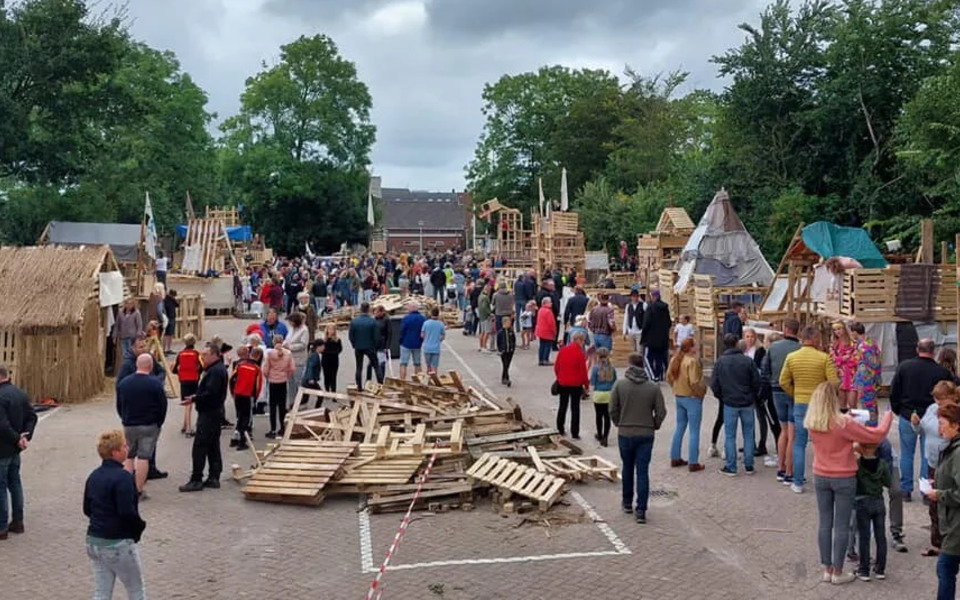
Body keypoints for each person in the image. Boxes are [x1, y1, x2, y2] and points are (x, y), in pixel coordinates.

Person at [805, 382, 892, 585]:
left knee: (825, 523)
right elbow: (876, 435)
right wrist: (888, 417)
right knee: (842, 525)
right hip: (843, 476)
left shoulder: (812, 421)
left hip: (820, 474)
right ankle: (838, 571)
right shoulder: (843, 423)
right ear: (833, 399)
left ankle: (826, 569)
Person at [83, 430, 147, 598]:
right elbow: (127, 512)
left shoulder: (93, 476)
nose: (127, 448)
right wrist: (138, 528)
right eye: (124, 446)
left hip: (94, 540)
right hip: (117, 541)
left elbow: (87, 508)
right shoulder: (123, 478)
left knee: (101, 592)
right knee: (135, 589)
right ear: (115, 452)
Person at [780, 326, 840, 493]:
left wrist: (795, 393)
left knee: (799, 443)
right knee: (823, 442)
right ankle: (826, 480)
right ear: (814, 339)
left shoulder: (791, 358)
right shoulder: (824, 358)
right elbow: (834, 383)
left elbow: (783, 381)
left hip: (799, 403)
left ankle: (798, 482)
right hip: (820, 405)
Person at [890, 338, 952, 501]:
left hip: (908, 413)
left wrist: (899, 410)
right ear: (934, 351)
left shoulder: (904, 367)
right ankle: (927, 489)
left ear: (917, 349)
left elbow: (894, 391)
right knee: (929, 454)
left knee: (906, 453)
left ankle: (906, 489)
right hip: (933, 416)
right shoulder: (941, 372)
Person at [610, 353, 667, 524]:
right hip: (645, 434)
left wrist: (619, 422)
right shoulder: (653, 387)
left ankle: (627, 502)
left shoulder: (620, 385)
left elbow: (612, 408)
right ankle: (641, 509)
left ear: (629, 365)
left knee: (627, 467)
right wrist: (654, 424)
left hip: (625, 433)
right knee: (642, 471)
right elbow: (661, 411)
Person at [179, 343, 229, 492]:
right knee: (213, 445)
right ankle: (214, 476)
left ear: (214, 354)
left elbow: (210, 394)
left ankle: (196, 479)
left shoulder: (215, 372)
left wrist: (195, 398)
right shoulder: (216, 369)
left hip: (209, 413)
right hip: (214, 412)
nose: (202, 357)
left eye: (205, 354)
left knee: (200, 446)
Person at [117, 354, 167, 498]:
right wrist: (159, 422)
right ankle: (138, 490)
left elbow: (119, 404)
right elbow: (162, 405)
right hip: (149, 425)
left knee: (129, 456)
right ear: (151, 366)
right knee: (144, 457)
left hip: (130, 424)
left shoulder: (124, 383)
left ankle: (126, 489)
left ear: (136, 365)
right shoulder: (155, 383)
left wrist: (124, 418)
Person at [711, 333, 760, 476]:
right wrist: (751, 395)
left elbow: (714, 384)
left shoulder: (720, 362)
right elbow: (756, 381)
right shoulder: (747, 361)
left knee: (730, 435)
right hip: (746, 402)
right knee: (749, 433)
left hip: (730, 402)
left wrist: (722, 396)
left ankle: (731, 466)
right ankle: (749, 465)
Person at [921, 381, 958, 557]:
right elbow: (923, 427)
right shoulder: (932, 409)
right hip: (934, 461)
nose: (938, 402)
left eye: (940, 399)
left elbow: (937, 430)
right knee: (934, 507)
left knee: (944, 504)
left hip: (946, 463)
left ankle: (946, 544)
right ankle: (937, 542)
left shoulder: (952, 414)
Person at [762, 319, 801, 484]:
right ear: (797, 331)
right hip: (796, 392)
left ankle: (781, 468)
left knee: (783, 430)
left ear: (785, 329)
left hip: (777, 391)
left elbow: (765, 370)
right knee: (793, 433)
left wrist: (773, 382)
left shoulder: (773, 348)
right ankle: (790, 472)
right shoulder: (801, 349)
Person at [0, 365, 36, 539]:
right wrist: (25, 437)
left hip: (3, 448)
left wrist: (16, 438)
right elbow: (32, 416)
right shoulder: (20, 393)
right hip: (15, 449)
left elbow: (2, 425)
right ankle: (18, 521)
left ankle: (1, 526)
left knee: (1, 486)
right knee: (15, 483)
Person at [930, 403, 960, 599]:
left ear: (956, 425)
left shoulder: (957, 453)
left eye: (942, 423)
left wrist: (939, 494)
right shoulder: (951, 448)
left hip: (956, 526)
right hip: (951, 523)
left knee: (945, 569)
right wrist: (938, 482)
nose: (939, 428)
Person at [667, 337, 706, 471]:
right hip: (692, 397)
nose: (697, 348)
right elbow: (694, 382)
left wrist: (675, 387)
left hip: (679, 396)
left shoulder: (675, 359)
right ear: (691, 348)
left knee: (680, 427)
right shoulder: (692, 362)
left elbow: (669, 377)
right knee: (694, 431)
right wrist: (701, 393)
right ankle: (693, 461)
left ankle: (675, 457)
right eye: (695, 346)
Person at [854, 441, 891, 581]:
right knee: (880, 536)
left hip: (862, 501)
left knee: (864, 537)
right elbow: (888, 482)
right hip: (879, 501)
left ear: (862, 448)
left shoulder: (858, 464)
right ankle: (880, 569)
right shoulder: (882, 464)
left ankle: (864, 570)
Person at [554, 331, 590, 439]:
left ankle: (560, 428)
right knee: (575, 408)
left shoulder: (563, 350)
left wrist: (559, 377)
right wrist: (586, 385)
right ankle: (575, 432)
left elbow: (556, 367)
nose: (583, 343)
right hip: (575, 384)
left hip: (563, 382)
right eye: (583, 341)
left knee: (562, 406)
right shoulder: (579, 353)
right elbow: (583, 371)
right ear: (578, 340)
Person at [229, 349, 263, 451]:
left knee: (239, 416)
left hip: (238, 394)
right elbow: (258, 386)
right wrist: (255, 398)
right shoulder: (257, 369)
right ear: (258, 356)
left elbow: (231, 379)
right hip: (248, 395)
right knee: (246, 418)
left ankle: (235, 437)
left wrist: (232, 392)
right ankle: (242, 441)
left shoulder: (240, 365)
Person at [262, 334, 294, 439]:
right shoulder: (288, 353)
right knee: (282, 406)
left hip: (273, 382)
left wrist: (268, 376)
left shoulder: (270, 353)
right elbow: (292, 368)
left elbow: (265, 369)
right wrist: (286, 375)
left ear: (274, 342)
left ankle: (273, 429)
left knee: (272, 407)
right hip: (283, 381)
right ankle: (282, 428)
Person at [850, 321, 882, 418]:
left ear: (855, 332)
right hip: (867, 379)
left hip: (867, 380)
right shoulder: (870, 342)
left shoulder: (864, 346)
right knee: (868, 404)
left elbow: (874, 364)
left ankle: (871, 428)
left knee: (868, 405)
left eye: (852, 332)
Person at [173, 334, 203, 436]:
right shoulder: (196, 353)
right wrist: (198, 373)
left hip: (184, 380)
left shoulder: (180, 354)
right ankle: (189, 429)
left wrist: (180, 373)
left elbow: (175, 368)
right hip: (194, 379)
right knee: (190, 403)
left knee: (187, 403)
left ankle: (185, 425)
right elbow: (202, 366)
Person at [641, 289, 671, 382]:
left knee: (647, 357)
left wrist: (643, 336)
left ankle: (653, 376)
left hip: (650, 339)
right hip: (663, 339)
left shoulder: (650, 308)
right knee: (659, 358)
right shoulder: (665, 308)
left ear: (654, 297)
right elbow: (669, 323)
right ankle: (659, 374)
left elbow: (646, 323)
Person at [349, 302, 380, 390]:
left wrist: (354, 344)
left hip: (358, 347)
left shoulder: (354, 321)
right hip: (370, 347)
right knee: (376, 366)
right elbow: (376, 336)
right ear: (368, 309)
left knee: (359, 367)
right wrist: (375, 346)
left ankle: (359, 386)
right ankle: (380, 384)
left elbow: (351, 336)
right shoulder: (373, 321)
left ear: (360, 309)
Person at [590, 348, 617, 447]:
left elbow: (592, 382)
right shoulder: (612, 368)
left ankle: (599, 434)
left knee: (598, 416)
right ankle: (605, 437)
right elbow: (615, 381)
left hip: (598, 394)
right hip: (609, 394)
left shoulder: (596, 368)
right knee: (607, 417)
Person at [830, 322, 858, 411]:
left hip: (852, 374)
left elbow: (858, 357)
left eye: (839, 329)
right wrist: (842, 359)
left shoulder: (853, 342)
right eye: (835, 330)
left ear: (844, 329)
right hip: (840, 374)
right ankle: (843, 423)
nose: (837, 332)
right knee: (841, 403)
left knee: (852, 402)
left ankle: (854, 423)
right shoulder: (833, 343)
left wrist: (847, 360)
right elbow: (832, 358)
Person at [283, 312, 310, 407]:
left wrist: (290, 347)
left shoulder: (304, 330)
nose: (289, 324)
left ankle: (301, 401)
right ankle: (291, 401)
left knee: (298, 381)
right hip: (289, 358)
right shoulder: (291, 329)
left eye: (290, 322)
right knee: (290, 381)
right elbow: (287, 338)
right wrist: (284, 344)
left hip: (298, 359)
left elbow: (303, 345)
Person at [399, 301, 426, 380]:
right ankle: (419, 381)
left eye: (408, 307)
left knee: (403, 363)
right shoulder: (422, 318)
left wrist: (400, 340)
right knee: (417, 363)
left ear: (411, 308)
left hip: (406, 343)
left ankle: (402, 381)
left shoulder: (406, 318)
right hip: (417, 343)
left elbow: (402, 330)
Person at [421, 307, 446, 375]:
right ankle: (434, 380)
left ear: (431, 314)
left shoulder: (426, 323)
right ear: (438, 314)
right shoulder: (441, 324)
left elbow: (422, 335)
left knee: (428, 367)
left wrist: (426, 339)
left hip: (427, 348)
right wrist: (438, 340)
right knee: (434, 367)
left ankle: (428, 380)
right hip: (436, 348)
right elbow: (443, 336)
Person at [319, 324, 342, 393]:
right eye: (329, 329)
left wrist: (333, 352)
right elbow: (321, 350)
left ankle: (333, 391)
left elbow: (339, 349)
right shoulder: (323, 340)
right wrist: (328, 352)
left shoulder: (337, 340)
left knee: (333, 376)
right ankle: (327, 390)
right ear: (327, 330)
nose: (331, 331)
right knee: (326, 376)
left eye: (332, 329)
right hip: (325, 360)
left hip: (334, 360)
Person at [535, 297, 558, 366]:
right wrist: (554, 331)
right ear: (545, 303)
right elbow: (551, 323)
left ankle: (541, 359)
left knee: (542, 345)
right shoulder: (548, 311)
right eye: (550, 302)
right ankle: (546, 359)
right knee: (547, 346)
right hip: (547, 331)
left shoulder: (540, 310)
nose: (551, 303)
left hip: (540, 330)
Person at [496, 316, 516, 387]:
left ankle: (504, 377)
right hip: (504, 351)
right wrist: (500, 349)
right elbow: (498, 341)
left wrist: (513, 348)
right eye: (508, 322)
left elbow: (513, 340)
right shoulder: (500, 332)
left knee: (507, 365)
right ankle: (506, 378)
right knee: (505, 364)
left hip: (510, 351)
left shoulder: (511, 331)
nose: (509, 324)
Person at [622, 290, 644, 354]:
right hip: (631, 331)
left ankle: (640, 363)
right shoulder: (628, 306)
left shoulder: (643, 305)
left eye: (636, 296)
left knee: (640, 350)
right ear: (631, 297)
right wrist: (624, 331)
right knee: (633, 351)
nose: (635, 298)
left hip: (640, 331)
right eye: (633, 296)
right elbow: (626, 318)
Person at [162, 289, 179, 354]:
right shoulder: (165, 300)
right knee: (166, 334)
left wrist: (174, 300)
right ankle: (164, 349)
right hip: (167, 317)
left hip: (172, 317)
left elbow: (177, 305)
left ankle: (168, 348)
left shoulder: (172, 300)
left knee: (171, 334)